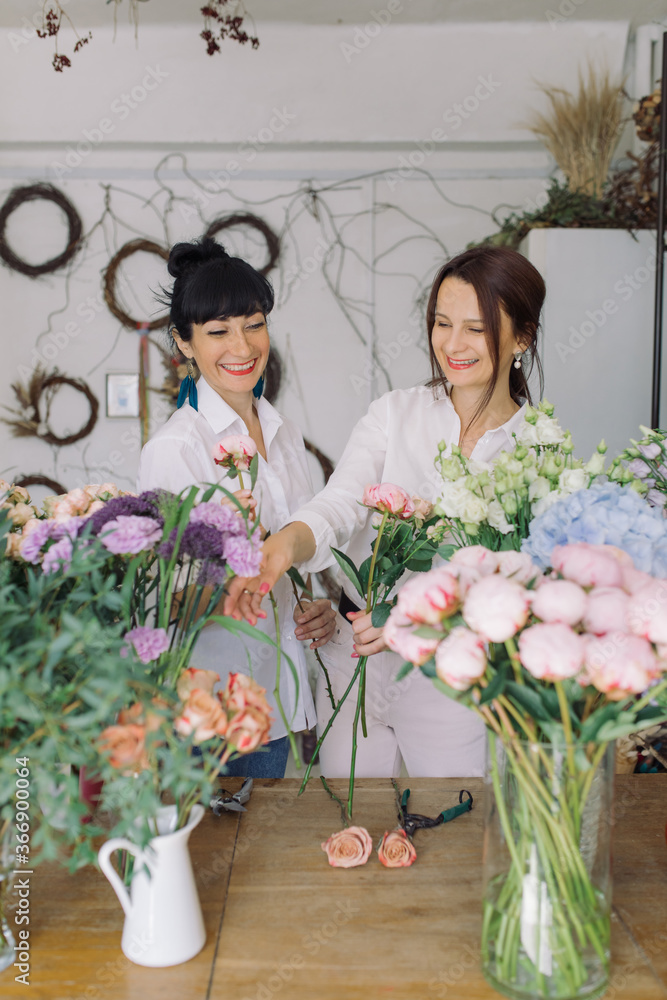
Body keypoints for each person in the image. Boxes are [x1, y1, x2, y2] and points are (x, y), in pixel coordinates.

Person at [222, 245, 546, 779]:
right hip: (357, 658)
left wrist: (414, 621)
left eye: (476, 328)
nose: (453, 344)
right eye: (442, 323)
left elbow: (524, 588)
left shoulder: (539, 449)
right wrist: (285, 544)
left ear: (523, 337)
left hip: (457, 678)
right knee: (351, 827)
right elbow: (343, 501)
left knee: (449, 833)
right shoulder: (395, 413)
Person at [137, 237, 336, 778]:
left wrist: (314, 605)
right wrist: (229, 581)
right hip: (216, 712)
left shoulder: (284, 432)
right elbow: (159, 602)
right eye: (218, 332)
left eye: (253, 324)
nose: (242, 347)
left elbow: (301, 543)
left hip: (288, 701)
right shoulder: (176, 450)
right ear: (184, 343)